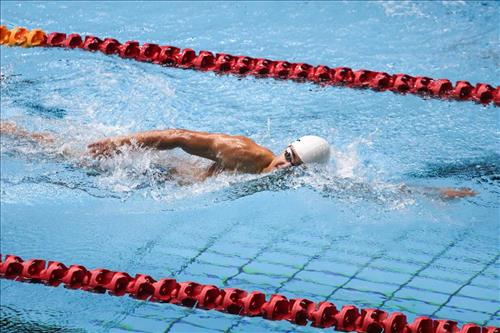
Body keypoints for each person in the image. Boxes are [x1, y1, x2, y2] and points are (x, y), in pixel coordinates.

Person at [0, 121, 477, 198]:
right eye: (286, 158)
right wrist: (121, 143)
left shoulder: (301, 181)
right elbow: (175, 135)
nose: (284, 168)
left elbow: (368, 192)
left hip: (186, 186)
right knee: (58, 152)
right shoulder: (242, 151)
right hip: (164, 176)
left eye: (294, 166)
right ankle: (11, 131)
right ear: (283, 151)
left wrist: (434, 192)